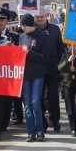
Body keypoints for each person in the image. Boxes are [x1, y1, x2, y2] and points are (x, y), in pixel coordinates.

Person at [34, 7, 65, 133]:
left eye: (42, 16)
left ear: (47, 16)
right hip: (37, 70)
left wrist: (61, 67)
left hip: (53, 69)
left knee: (53, 97)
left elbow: (61, 50)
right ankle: (43, 122)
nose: (40, 19)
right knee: (39, 98)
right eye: (37, 17)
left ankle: (55, 120)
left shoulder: (54, 29)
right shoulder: (31, 30)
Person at [19, 14, 49, 142]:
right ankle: (30, 132)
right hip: (25, 75)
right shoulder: (22, 37)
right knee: (27, 104)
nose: (22, 28)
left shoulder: (42, 36)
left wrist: (29, 53)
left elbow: (44, 58)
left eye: (23, 25)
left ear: (27, 25)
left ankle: (40, 130)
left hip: (38, 74)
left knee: (35, 102)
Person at [58, 44, 76, 138]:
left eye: (73, 46)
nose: (72, 47)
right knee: (69, 107)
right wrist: (68, 61)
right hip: (67, 84)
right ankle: (73, 128)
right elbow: (59, 68)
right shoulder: (65, 56)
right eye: (69, 46)